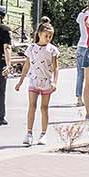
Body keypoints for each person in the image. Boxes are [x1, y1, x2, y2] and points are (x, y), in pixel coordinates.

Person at [16, 17, 58, 145]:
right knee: (32, 106)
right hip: (33, 81)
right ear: (39, 34)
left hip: (46, 82)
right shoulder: (31, 48)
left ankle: (43, 133)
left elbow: (56, 68)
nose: (48, 38)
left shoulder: (52, 50)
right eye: (46, 35)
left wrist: (55, 82)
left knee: (44, 108)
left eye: (50, 36)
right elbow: (26, 66)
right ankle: (29, 133)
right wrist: (20, 81)